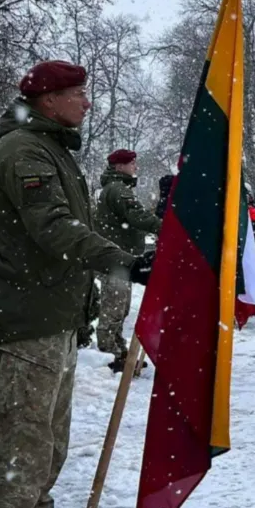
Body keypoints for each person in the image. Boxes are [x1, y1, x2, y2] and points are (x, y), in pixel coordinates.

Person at [0, 60, 147, 508]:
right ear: (48, 100)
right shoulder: (26, 152)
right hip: (30, 325)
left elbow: (74, 228)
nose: (87, 102)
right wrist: (124, 263)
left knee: (47, 444)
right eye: (78, 94)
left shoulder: (52, 149)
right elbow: (53, 229)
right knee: (21, 450)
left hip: (52, 320)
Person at [94, 148, 162, 373]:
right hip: (116, 259)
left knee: (119, 307)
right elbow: (137, 216)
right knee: (114, 307)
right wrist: (165, 227)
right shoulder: (118, 190)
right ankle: (109, 354)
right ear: (119, 166)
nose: (136, 167)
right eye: (132, 163)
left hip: (118, 257)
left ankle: (117, 350)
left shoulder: (115, 188)